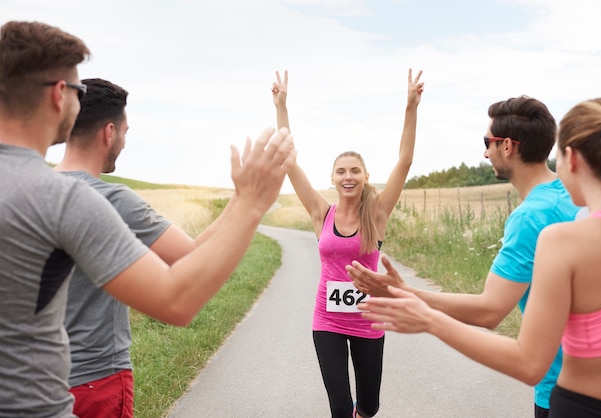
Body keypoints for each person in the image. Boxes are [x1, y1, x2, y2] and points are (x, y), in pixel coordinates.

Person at [0, 20, 295, 417]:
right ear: (58, 95)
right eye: (77, 89)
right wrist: (251, 203)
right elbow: (177, 300)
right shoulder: (64, 199)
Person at [357, 98, 601, 417]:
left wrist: (421, 310)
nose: (485, 152)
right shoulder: (588, 216)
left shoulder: (540, 225)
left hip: (570, 398)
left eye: (488, 143)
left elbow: (494, 316)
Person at [54, 78, 242, 417]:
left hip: (36, 384)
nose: (124, 141)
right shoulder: (113, 199)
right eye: (125, 132)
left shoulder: (33, 191)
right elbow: (193, 259)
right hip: (97, 381)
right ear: (109, 133)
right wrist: (245, 200)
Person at [272, 69, 424, 418]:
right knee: (340, 407)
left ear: (365, 177)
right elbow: (288, 160)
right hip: (327, 319)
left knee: (367, 407)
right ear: (333, 179)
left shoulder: (378, 214)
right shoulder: (320, 213)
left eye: (355, 170)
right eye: (341, 171)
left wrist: (410, 107)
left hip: (368, 320)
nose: (348, 176)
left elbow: (405, 160)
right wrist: (282, 106)